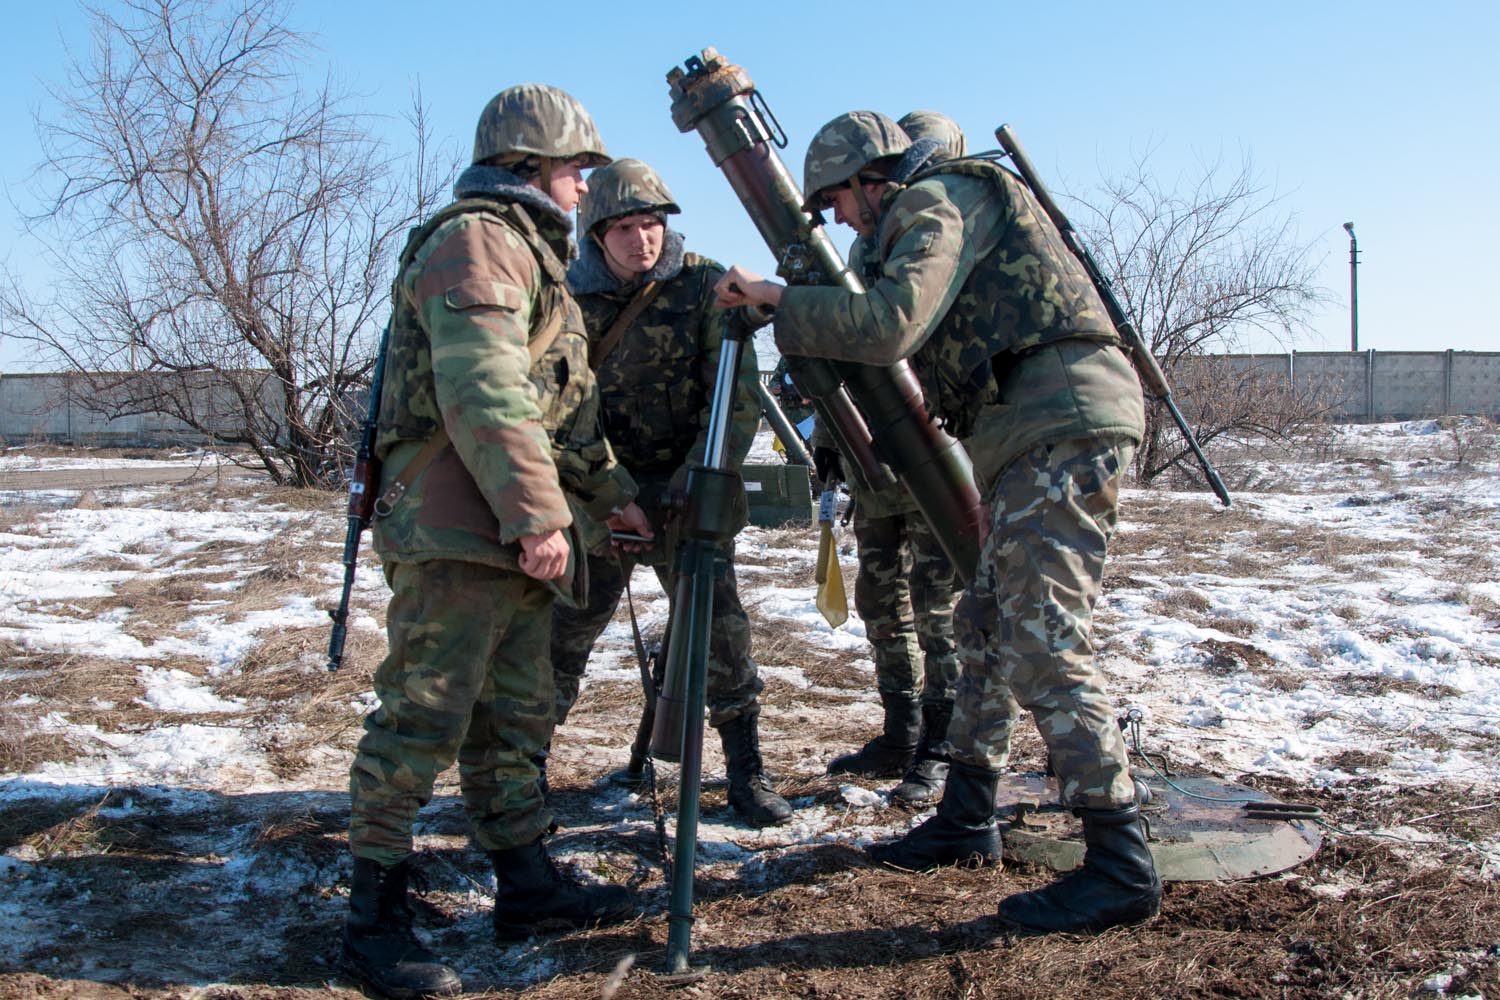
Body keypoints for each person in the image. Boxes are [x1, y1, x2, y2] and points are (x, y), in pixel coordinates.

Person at [713, 110, 1161, 935]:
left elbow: (891, 325)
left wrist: (777, 298)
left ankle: (1120, 862)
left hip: (1061, 421)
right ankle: (967, 815)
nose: (841, 220)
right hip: (1024, 434)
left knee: (1044, 636)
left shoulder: (936, 199)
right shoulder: (920, 208)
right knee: (984, 624)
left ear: (870, 181)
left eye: (837, 202)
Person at [342, 84, 654, 999]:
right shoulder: (478, 240)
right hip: (458, 526)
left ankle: (525, 884)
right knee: (424, 715)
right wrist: (537, 516)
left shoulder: (531, 256)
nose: (584, 187)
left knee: (513, 714)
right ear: (526, 166)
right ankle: (371, 920)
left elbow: (562, 410)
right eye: (574, 168)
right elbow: (483, 389)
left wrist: (615, 499)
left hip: (505, 528)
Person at [547, 157, 792, 829]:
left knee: (720, 635)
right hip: (600, 496)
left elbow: (734, 397)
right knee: (560, 637)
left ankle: (745, 772)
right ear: (596, 234)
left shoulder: (706, 286)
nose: (642, 239)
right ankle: (522, 774)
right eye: (624, 227)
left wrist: (693, 480)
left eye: (651, 223)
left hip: (691, 488)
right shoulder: (565, 298)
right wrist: (610, 494)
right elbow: (562, 409)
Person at [810, 111, 968, 806]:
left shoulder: (945, 236)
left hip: (934, 456)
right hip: (874, 463)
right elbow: (844, 354)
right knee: (881, 604)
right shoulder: (864, 250)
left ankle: (941, 745)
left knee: (940, 610)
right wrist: (827, 446)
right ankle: (900, 731)